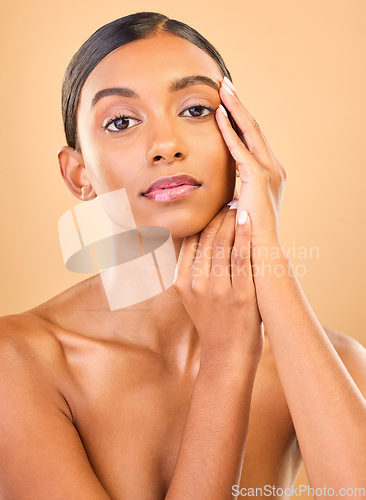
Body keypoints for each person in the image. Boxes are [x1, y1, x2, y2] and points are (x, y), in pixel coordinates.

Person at [0, 11, 365, 499]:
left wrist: (266, 246)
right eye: (122, 121)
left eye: (194, 110)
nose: (166, 145)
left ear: (242, 137)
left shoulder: (333, 363)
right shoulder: (20, 363)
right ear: (78, 174)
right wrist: (227, 359)